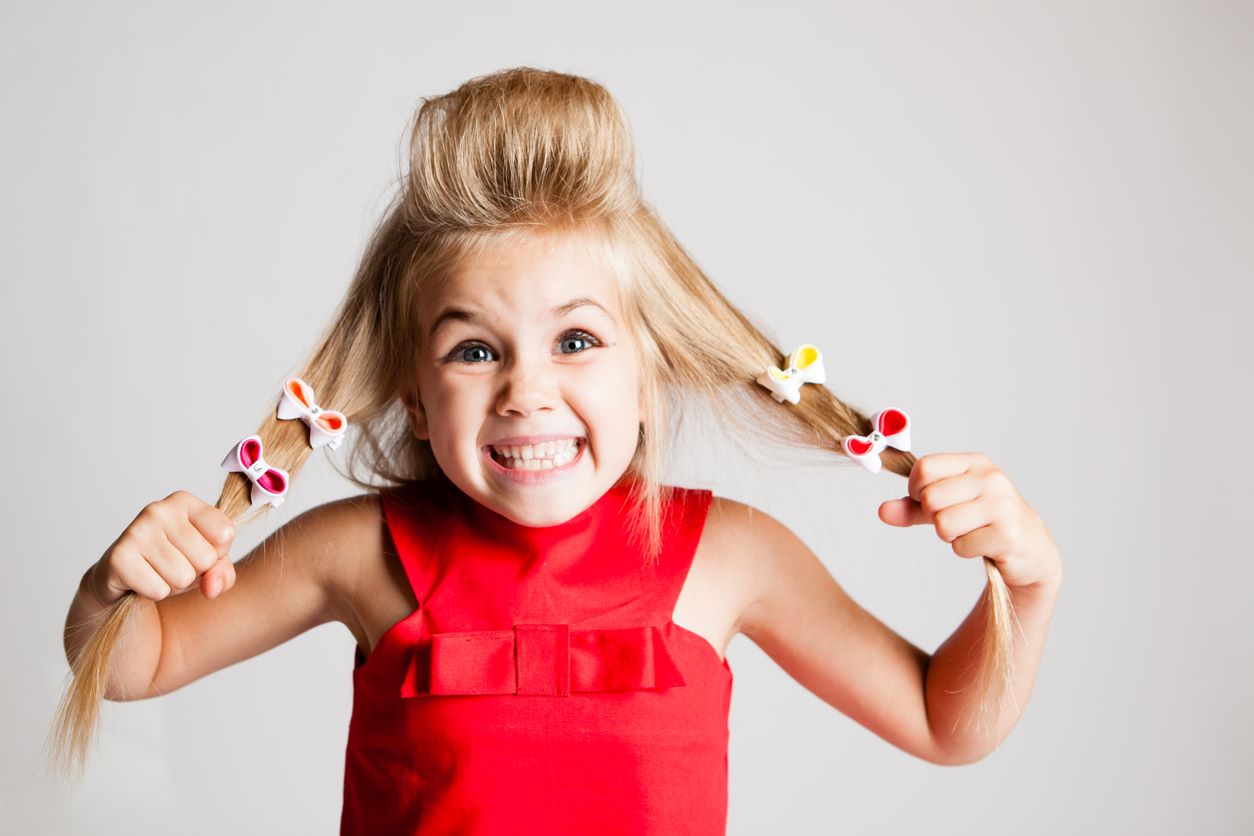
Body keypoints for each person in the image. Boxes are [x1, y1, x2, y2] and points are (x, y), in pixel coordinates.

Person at [56, 66, 1063, 834]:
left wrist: (1024, 585)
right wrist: (114, 588)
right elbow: (138, 662)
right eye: (473, 348)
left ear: (649, 365)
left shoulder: (734, 555)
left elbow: (943, 719)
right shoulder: (357, 551)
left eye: (576, 339)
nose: (525, 390)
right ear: (412, 388)